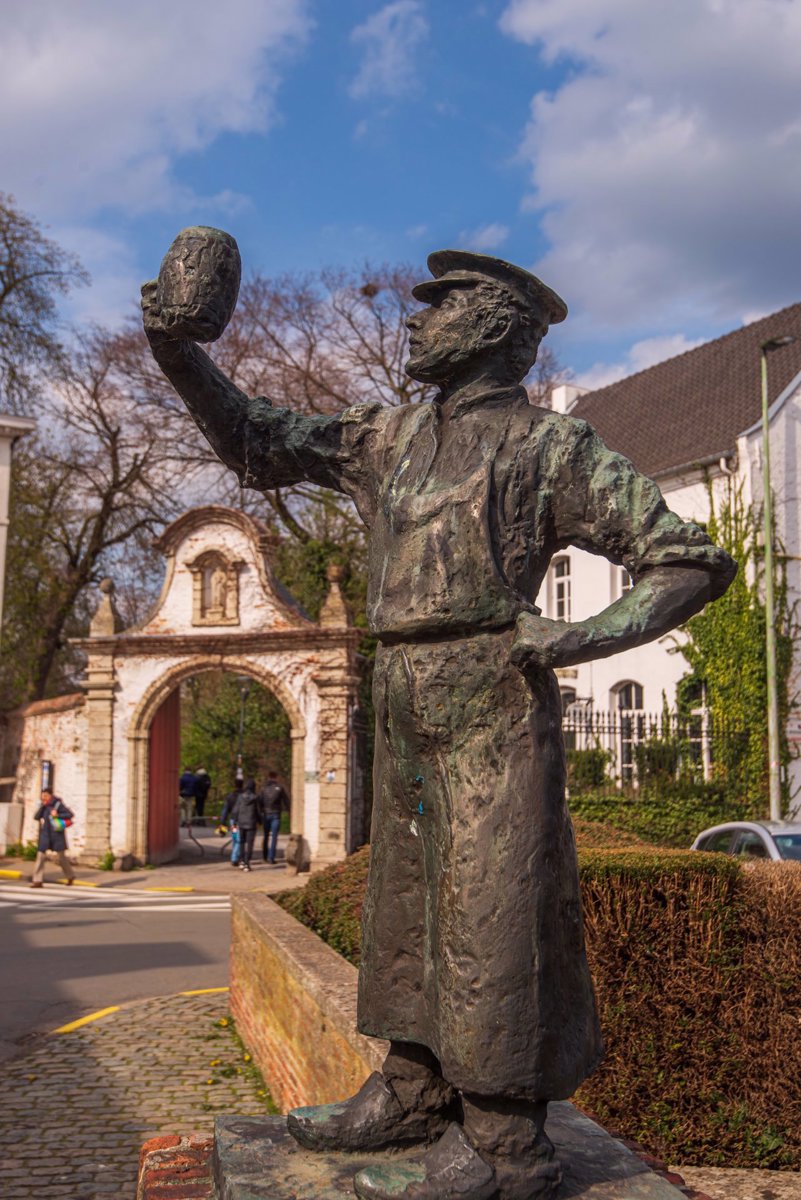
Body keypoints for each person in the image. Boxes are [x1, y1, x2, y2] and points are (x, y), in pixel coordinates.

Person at [144, 247, 735, 1200]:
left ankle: (506, 1140)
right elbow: (255, 438)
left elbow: (688, 559)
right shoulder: (386, 437)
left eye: (440, 306)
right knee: (408, 897)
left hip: (492, 685)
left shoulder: (552, 448)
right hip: (404, 680)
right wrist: (176, 351)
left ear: (497, 326)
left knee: (493, 902)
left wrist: (575, 639)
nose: (413, 322)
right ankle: (414, 1088)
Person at [30, 789, 76, 888]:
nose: (44, 798)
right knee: (40, 857)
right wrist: (42, 806)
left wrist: (58, 815)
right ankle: (37, 880)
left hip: (57, 835)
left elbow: (70, 815)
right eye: (42, 796)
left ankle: (70, 876)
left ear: (50, 795)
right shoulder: (44, 806)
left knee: (61, 858)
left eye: (46, 796)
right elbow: (36, 817)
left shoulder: (58, 804)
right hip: (45, 835)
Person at [230, 779, 263, 873]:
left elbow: (236, 810)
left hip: (241, 822)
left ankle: (241, 861)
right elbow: (258, 811)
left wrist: (235, 821)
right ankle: (247, 863)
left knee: (241, 842)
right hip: (251, 823)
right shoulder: (256, 798)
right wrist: (260, 822)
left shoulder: (240, 797)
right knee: (250, 844)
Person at [260, 772, 289, 865]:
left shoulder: (263, 788)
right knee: (274, 837)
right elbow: (286, 801)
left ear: (268, 777)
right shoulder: (280, 788)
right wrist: (289, 812)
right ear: (276, 777)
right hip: (276, 814)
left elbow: (259, 802)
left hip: (265, 814)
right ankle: (271, 858)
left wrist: (260, 813)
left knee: (266, 836)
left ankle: (265, 856)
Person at [219, 781, 243, 867]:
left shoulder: (230, 796)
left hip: (233, 821)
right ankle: (235, 858)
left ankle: (235, 855)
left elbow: (225, 811)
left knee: (235, 838)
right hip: (241, 820)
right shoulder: (244, 796)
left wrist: (222, 824)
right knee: (239, 840)